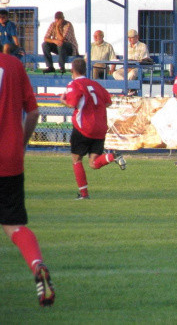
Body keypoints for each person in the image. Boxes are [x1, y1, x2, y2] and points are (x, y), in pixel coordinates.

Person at [0, 53, 55, 306]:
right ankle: (36, 263)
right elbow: (33, 113)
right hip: (10, 157)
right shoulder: (13, 65)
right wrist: (19, 145)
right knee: (13, 224)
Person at [60, 58, 127, 200]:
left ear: (72, 70)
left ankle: (84, 194)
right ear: (86, 70)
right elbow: (108, 101)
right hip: (100, 128)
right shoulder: (95, 85)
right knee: (94, 163)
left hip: (84, 127)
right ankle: (112, 156)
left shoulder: (75, 84)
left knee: (76, 160)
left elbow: (71, 103)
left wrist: (63, 100)